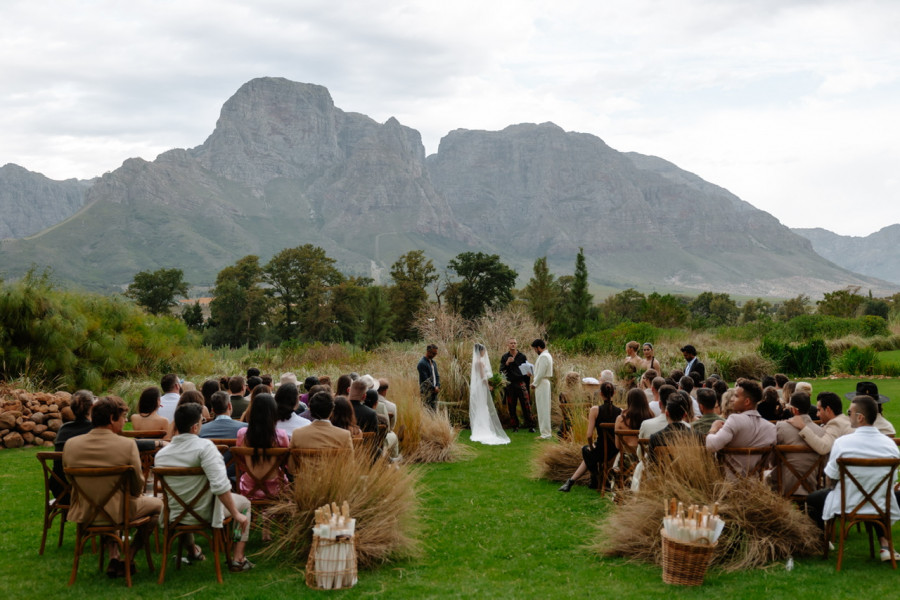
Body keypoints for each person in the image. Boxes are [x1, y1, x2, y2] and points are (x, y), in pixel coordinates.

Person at [62, 395, 163, 578]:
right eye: (123, 417)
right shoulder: (127, 445)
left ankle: (114, 555)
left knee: (111, 501)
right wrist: (134, 494)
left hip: (85, 511)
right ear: (111, 418)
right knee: (158, 506)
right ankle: (129, 556)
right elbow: (137, 486)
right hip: (119, 512)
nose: (125, 421)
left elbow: (70, 480)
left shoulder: (71, 445)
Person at [155, 403, 254, 572]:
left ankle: (192, 551)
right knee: (244, 504)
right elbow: (220, 485)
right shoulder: (205, 448)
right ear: (195, 427)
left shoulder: (161, 455)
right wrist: (236, 514)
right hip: (207, 512)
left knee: (184, 498)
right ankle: (238, 558)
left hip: (175, 513)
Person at [805, 395, 900, 562]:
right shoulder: (890, 445)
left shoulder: (842, 443)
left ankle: (823, 541)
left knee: (813, 499)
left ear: (860, 417)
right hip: (880, 503)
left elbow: (831, 476)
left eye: (849, 413)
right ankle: (885, 545)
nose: (847, 416)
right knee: (875, 494)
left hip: (847, 502)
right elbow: (892, 480)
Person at [706, 379, 776, 477]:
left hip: (728, 481)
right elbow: (769, 462)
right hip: (756, 482)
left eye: (736, 396)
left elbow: (711, 446)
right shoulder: (771, 428)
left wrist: (713, 429)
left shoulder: (734, 420)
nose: (731, 399)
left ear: (747, 401)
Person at [559, 381, 621, 492]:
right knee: (588, 455)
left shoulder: (595, 410)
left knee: (586, 450)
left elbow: (589, 435)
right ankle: (572, 481)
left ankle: (594, 478)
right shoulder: (621, 412)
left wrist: (592, 447)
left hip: (600, 449)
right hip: (615, 450)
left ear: (600, 393)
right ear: (614, 393)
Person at [235, 393, 289, 501]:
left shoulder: (242, 434)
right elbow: (286, 463)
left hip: (248, 488)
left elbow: (241, 463)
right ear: (274, 413)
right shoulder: (281, 435)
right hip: (276, 489)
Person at [774, 392, 823, 496]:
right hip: (812, 484)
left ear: (794, 410)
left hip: (784, 484)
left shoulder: (781, 427)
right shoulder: (820, 431)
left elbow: (773, 458)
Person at [468, 343, 510, 445]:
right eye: (483, 351)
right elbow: (483, 377)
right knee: (482, 406)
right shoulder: (479, 362)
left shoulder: (477, 362)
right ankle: (482, 428)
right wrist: (488, 386)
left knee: (482, 406)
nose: (484, 352)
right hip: (482, 386)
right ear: (480, 351)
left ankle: (482, 427)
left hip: (480, 386)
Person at [787, 391, 852, 455]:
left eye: (819, 410)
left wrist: (803, 427)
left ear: (828, 410)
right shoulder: (844, 420)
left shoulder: (836, 424)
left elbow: (823, 448)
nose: (817, 414)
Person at [500, 338, 535, 433]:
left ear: (517, 344)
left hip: (521, 382)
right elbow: (501, 371)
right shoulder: (505, 357)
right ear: (508, 345)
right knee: (512, 406)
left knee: (526, 404)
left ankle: (531, 425)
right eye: (511, 343)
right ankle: (515, 426)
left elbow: (527, 368)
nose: (513, 345)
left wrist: (529, 374)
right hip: (510, 384)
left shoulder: (522, 356)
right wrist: (507, 363)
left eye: (514, 343)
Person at [531, 339, 554, 440]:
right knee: (542, 408)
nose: (535, 351)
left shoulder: (544, 356)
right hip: (542, 382)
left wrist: (534, 383)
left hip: (542, 383)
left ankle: (545, 433)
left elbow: (541, 373)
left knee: (543, 408)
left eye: (535, 349)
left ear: (539, 347)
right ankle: (545, 432)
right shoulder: (546, 355)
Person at [417, 344, 441, 410]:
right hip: (426, 392)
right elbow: (425, 379)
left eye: (436, 354)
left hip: (434, 392)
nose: (435, 355)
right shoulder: (422, 363)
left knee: (434, 411)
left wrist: (437, 386)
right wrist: (433, 388)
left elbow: (437, 376)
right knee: (427, 410)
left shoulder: (433, 362)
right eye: (433, 353)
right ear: (428, 352)